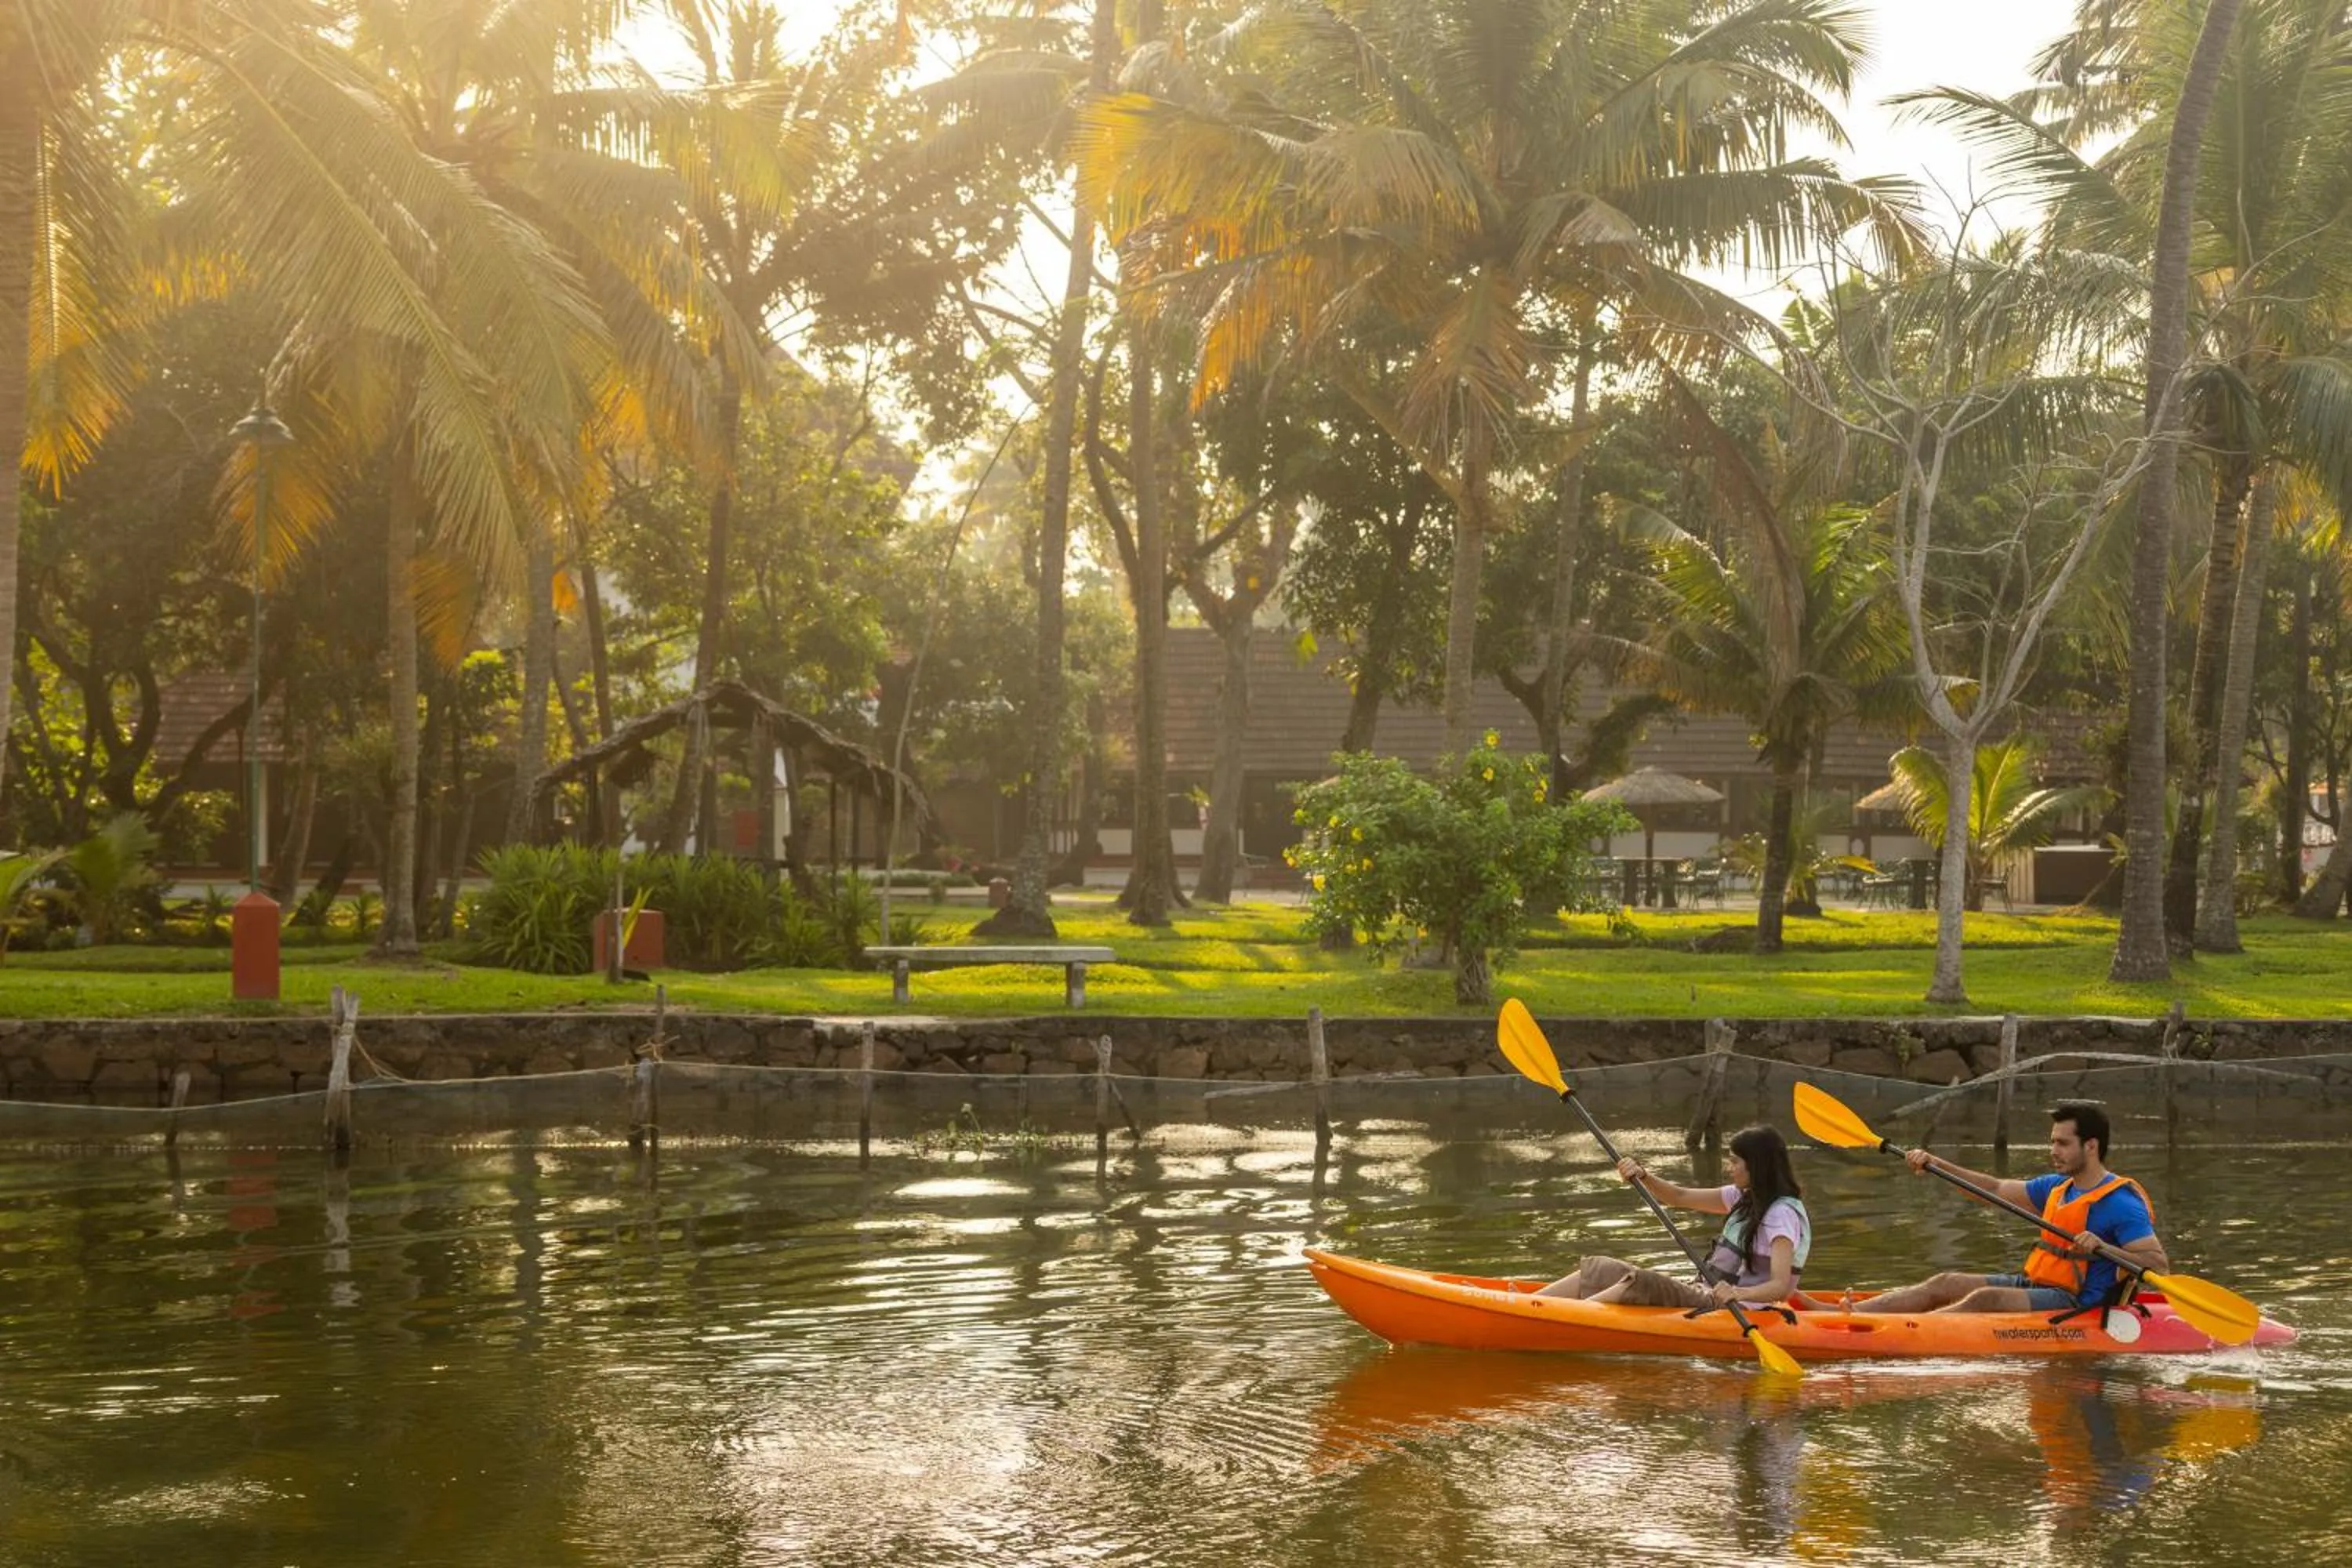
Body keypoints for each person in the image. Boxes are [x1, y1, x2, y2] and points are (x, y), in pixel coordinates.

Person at [1860, 1102, 2168, 1316]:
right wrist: (1936, 1164)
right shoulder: (2057, 1187)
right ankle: (1847, 1313)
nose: (2053, 1151)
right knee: (1946, 1282)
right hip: (2038, 1283)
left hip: (2079, 1302)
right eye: (2052, 1142)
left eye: (2062, 1144)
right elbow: (1993, 1189)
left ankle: (1904, 1331)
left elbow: (2158, 1264)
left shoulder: (2121, 1202)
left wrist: (2104, 1247)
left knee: (1986, 1299)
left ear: (2091, 1146)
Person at [1537, 1124, 1810, 1311]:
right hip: (1705, 1291)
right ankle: (1526, 1304)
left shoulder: (1781, 1215)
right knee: (1603, 1268)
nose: (1730, 1168)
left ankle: (1562, 1320)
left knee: (1641, 1282)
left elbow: (1779, 1286)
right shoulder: (1742, 1197)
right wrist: (1643, 1176)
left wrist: (1738, 1293)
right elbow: (1678, 1196)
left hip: (1731, 1306)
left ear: (1758, 1166)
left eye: (1735, 1162)